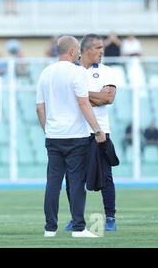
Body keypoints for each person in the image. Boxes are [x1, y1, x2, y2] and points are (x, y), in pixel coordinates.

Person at [36, 36, 106, 238]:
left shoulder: (45, 73)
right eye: (77, 51)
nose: (78, 54)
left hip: (54, 136)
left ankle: (50, 229)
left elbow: (40, 108)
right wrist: (98, 130)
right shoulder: (78, 72)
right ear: (72, 51)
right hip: (76, 137)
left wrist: (47, 130)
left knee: (53, 183)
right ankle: (78, 228)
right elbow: (84, 104)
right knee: (76, 183)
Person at [63, 34, 118, 232]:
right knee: (72, 179)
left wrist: (81, 95)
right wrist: (93, 97)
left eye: (102, 47)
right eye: (98, 48)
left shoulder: (107, 71)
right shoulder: (71, 71)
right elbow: (95, 98)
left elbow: (108, 98)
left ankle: (110, 218)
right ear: (86, 50)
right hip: (76, 133)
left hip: (100, 131)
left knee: (106, 176)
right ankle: (76, 219)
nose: (102, 51)